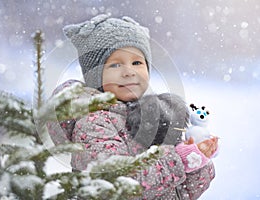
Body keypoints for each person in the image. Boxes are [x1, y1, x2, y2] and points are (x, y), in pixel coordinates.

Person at [47, 14, 218, 199]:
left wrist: (197, 160)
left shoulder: (155, 115)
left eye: (137, 62)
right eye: (115, 65)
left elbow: (182, 193)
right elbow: (117, 185)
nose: (129, 72)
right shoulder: (93, 122)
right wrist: (179, 160)